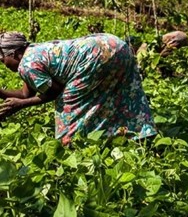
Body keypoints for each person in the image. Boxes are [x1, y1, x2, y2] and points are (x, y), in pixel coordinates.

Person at [0, 31, 157, 146]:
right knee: (123, 93)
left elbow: (54, 93)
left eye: (3, 60)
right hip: (116, 46)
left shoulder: (27, 65)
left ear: (14, 54)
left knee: (67, 105)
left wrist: (21, 105)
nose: (4, 64)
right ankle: (141, 135)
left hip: (95, 56)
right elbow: (25, 93)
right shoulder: (34, 52)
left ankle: (70, 147)